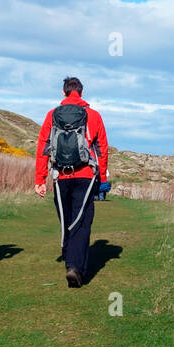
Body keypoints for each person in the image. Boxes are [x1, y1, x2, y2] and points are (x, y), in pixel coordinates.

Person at [34, 77, 108, 287]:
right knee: (81, 221)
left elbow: (43, 148)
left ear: (64, 92)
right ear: (81, 93)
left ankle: (69, 257)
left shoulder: (52, 115)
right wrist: (101, 178)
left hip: (60, 176)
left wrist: (40, 179)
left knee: (67, 219)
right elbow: (102, 148)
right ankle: (75, 266)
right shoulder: (93, 115)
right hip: (85, 175)